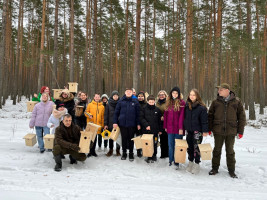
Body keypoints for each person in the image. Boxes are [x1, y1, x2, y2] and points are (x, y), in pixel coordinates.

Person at [208, 83, 246, 178]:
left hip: (231, 131)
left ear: (227, 91)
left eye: (220, 90)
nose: (218, 91)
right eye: (218, 90)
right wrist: (209, 128)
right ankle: (215, 168)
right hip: (218, 130)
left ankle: (231, 170)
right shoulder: (215, 102)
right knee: (216, 150)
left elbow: (242, 117)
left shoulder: (236, 102)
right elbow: (210, 116)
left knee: (230, 151)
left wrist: (240, 131)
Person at [184, 89, 208, 174]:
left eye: (193, 95)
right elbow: (184, 118)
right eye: (190, 94)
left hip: (197, 131)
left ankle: (197, 164)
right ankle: (190, 162)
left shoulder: (201, 107)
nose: (191, 96)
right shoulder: (187, 105)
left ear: (197, 96)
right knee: (189, 147)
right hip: (189, 130)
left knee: (196, 148)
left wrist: (205, 131)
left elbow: (204, 121)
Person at [113, 88, 141, 161]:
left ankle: (131, 154)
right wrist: (115, 122)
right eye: (127, 91)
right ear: (125, 92)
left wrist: (138, 123)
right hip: (122, 124)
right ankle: (124, 153)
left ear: (132, 93)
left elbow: (138, 114)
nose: (128, 93)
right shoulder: (121, 101)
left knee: (131, 139)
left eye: (130, 92)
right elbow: (116, 113)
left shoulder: (135, 101)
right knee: (124, 139)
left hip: (132, 124)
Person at [163, 87, 185, 167]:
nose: (174, 95)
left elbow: (182, 117)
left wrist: (180, 128)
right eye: (173, 93)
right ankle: (171, 159)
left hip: (178, 128)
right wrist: (165, 126)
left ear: (179, 94)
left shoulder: (182, 103)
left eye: (176, 93)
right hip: (169, 128)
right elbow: (165, 115)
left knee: (178, 145)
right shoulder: (168, 102)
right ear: (171, 93)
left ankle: (177, 160)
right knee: (170, 145)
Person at [140, 95, 163, 163]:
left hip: (155, 130)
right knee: (147, 143)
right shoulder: (144, 109)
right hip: (146, 130)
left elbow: (160, 121)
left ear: (154, 102)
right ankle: (148, 155)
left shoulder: (157, 110)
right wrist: (146, 125)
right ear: (147, 102)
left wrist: (160, 130)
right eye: (150, 102)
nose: (151, 103)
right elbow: (141, 118)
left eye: (152, 102)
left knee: (154, 143)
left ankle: (154, 155)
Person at [104, 91, 121, 157]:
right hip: (110, 123)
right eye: (114, 96)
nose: (115, 97)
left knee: (118, 137)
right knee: (111, 138)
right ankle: (110, 150)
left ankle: (118, 150)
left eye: (117, 96)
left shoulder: (120, 103)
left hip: (118, 123)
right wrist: (106, 124)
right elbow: (106, 115)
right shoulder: (108, 104)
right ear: (112, 96)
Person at [156, 90, 169, 159]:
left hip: (166, 122)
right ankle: (163, 154)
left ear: (165, 95)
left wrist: (164, 116)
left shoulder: (167, 103)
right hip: (159, 123)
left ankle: (167, 154)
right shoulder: (157, 103)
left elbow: (169, 111)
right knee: (161, 139)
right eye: (160, 95)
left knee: (166, 138)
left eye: (163, 95)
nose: (161, 96)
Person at [136, 91, 147, 157]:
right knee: (138, 138)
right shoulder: (136, 104)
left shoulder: (146, 104)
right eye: (139, 96)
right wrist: (138, 123)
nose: (140, 97)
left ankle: (144, 150)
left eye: (142, 96)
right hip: (137, 123)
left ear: (144, 97)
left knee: (144, 137)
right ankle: (138, 151)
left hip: (144, 123)